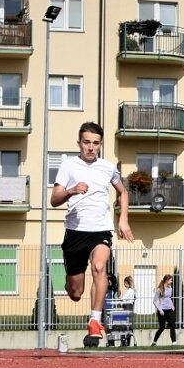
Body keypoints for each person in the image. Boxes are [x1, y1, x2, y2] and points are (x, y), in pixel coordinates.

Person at [50, 121, 134, 343]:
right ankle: (70, 282)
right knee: (76, 293)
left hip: (101, 230)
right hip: (76, 231)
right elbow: (54, 199)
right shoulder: (68, 165)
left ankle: (95, 321)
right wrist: (71, 191)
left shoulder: (107, 167)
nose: (90, 147)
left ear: (100, 145)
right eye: (86, 142)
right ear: (79, 143)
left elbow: (123, 192)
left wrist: (123, 219)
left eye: (95, 143)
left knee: (99, 267)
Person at [152, 275, 177, 346]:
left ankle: (174, 342)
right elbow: (155, 301)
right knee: (162, 328)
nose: (171, 281)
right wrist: (160, 310)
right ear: (166, 280)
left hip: (170, 309)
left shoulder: (170, 288)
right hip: (162, 310)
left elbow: (169, 298)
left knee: (172, 325)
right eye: (170, 280)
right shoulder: (160, 289)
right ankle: (154, 342)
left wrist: (172, 305)